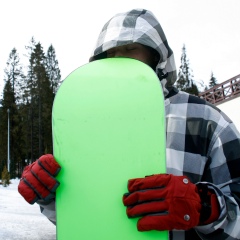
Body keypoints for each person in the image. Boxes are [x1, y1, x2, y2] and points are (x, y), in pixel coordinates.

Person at [18, 8, 240, 239]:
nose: (118, 59)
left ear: (156, 57)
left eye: (130, 49)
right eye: (110, 53)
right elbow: (90, 214)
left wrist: (204, 207)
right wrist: (51, 195)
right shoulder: (90, 121)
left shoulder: (206, 120)